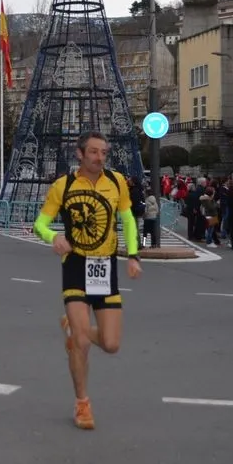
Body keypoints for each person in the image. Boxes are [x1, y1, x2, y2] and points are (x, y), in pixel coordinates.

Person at [32, 131, 142, 430]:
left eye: (104, 152)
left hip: (105, 267)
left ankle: (72, 326)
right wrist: (53, 236)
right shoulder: (63, 186)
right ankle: (82, 403)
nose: (99, 157)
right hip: (76, 265)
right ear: (80, 154)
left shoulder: (116, 182)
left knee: (111, 344)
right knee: (81, 343)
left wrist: (133, 255)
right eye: (93, 152)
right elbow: (40, 223)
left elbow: (128, 219)